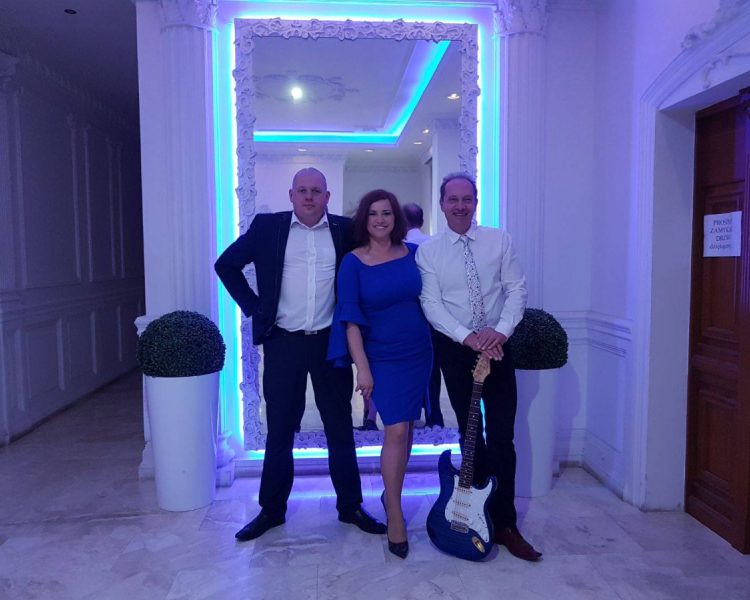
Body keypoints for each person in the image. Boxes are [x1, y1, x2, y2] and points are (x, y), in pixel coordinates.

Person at [215, 168, 385, 541]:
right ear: (291, 195)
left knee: (340, 428)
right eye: (303, 190)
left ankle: (351, 506)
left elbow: (375, 261)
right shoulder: (267, 228)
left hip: (330, 345)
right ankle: (272, 510)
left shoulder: (345, 230)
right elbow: (225, 265)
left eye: (316, 191)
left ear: (327, 197)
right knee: (279, 429)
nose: (309, 196)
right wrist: (255, 308)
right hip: (284, 342)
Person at [416, 172, 542, 561]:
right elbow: (431, 303)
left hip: (499, 346)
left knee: (502, 437)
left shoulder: (499, 240)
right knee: (471, 436)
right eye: (452, 199)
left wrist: (499, 332)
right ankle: (476, 515)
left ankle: (505, 524)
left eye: (466, 199)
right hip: (456, 349)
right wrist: (468, 337)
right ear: (442, 204)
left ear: (475, 202)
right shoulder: (428, 252)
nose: (460, 206)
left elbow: (516, 289)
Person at [328, 190, 432, 559]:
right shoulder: (353, 262)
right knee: (396, 430)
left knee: (407, 429)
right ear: (364, 219)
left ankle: (392, 493)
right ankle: (395, 512)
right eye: (373, 214)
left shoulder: (413, 254)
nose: (380, 220)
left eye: (387, 213)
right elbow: (350, 320)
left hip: (418, 351)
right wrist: (364, 368)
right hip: (381, 357)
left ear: (396, 218)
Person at [402, 203, 445, 429]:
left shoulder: (400, 248)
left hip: (412, 315)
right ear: (422, 220)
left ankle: (411, 415)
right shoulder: (434, 244)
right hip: (436, 314)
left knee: (411, 367)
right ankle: (434, 415)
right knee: (433, 367)